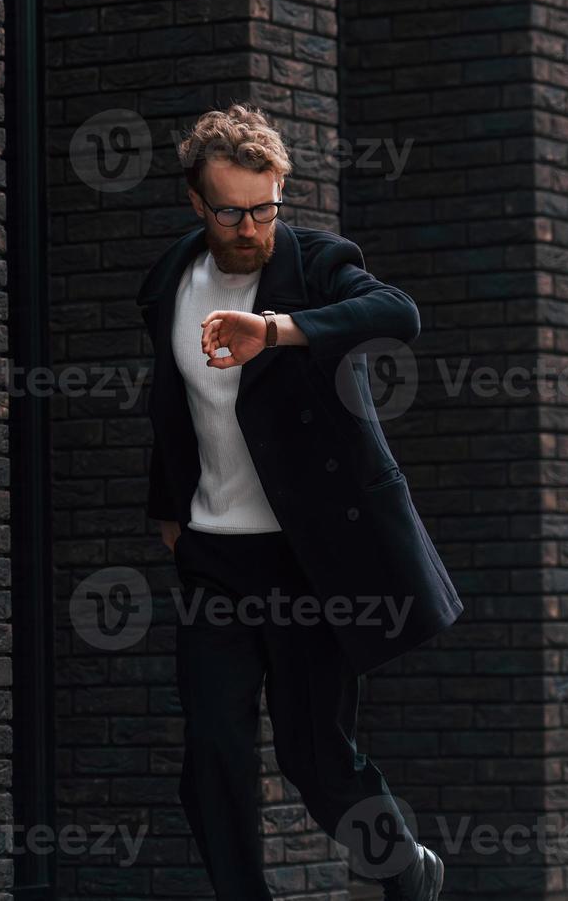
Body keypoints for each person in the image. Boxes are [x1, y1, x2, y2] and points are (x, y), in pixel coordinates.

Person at [135, 104, 460, 900]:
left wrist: (276, 329)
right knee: (213, 750)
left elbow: (398, 313)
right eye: (231, 212)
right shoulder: (170, 281)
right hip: (214, 556)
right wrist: (169, 510)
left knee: (315, 759)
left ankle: (406, 868)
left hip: (308, 559)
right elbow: (173, 404)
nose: (251, 228)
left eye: (266, 207)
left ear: (281, 190)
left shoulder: (315, 264)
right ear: (196, 204)